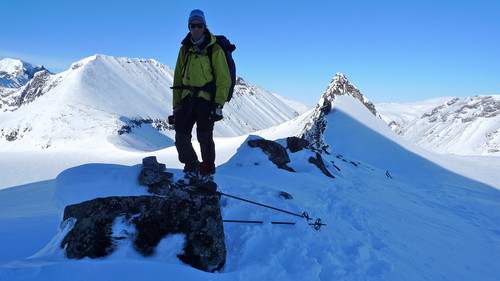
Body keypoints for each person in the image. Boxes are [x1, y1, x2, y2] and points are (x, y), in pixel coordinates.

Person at [172, 9, 231, 181]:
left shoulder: (215, 48)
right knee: (181, 134)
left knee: (204, 136)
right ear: (189, 27)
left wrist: (219, 104)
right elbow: (178, 78)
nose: (196, 29)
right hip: (187, 98)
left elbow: (223, 79)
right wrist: (176, 105)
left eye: (200, 25)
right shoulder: (185, 49)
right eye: (193, 25)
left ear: (205, 26)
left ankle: (207, 170)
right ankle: (191, 165)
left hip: (206, 99)